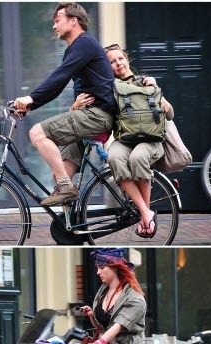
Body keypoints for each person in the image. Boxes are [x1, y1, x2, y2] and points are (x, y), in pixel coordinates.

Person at [13, 2, 117, 206]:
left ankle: (67, 188)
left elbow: (59, 76)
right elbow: (58, 86)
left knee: (37, 133)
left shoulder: (84, 44)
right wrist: (30, 105)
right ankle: (71, 229)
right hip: (89, 114)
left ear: (73, 21)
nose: (54, 26)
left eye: (57, 20)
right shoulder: (74, 50)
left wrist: (31, 98)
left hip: (97, 115)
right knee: (59, 176)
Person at [71, 44, 174, 237]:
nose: (118, 63)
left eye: (120, 59)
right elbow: (88, 116)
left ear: (126, 60)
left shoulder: (144, 82)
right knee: (114, 157)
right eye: (112, 62)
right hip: (124, 139)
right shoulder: (107, 90)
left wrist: (155, 90)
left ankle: (145, 214)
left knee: (138, 158)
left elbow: (170, 114)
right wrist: (75, 107)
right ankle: (145, 213)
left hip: (150, 139)